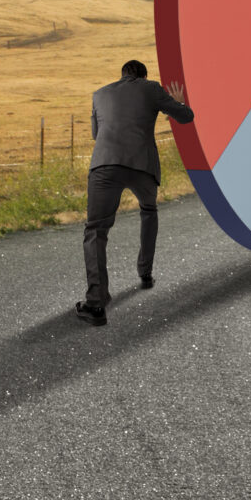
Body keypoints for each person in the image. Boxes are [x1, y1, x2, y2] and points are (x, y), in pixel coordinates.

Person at [76, 59, 192, 325]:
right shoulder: (151, 89)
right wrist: (177, 102)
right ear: (143, 75)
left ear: (122, 74)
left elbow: (96, 134)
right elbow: (186, 118)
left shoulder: (100, 94)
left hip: (105, 165)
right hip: (143, 167)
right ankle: (145, 273)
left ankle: (96, 303)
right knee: (149, 211)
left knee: (96, 230)